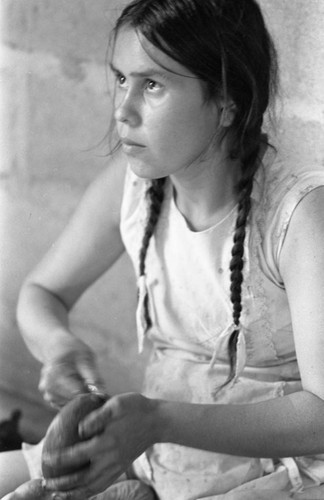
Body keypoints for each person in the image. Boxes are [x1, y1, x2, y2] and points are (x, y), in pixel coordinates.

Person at [1, 0, 324, 498]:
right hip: (156, 454)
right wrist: (58, 347)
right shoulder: (131, 188)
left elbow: (321, 414)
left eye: (152, 85)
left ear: (227, 102)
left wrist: (155, 420)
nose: (123, 110)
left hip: (278, 474)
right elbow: (43, 291)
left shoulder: (299, 215)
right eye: (121, 79)